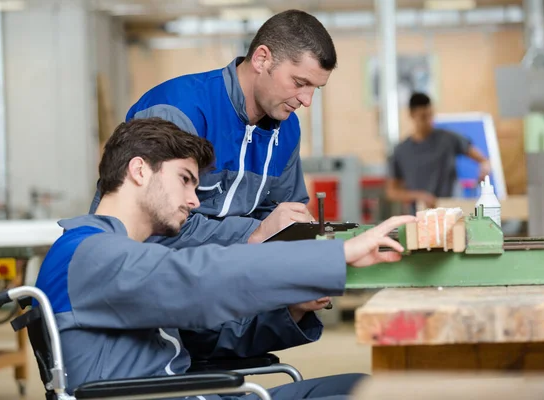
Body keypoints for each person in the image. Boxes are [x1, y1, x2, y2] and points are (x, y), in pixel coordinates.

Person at [37, 118, 415, 399]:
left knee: (371, 387)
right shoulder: (86, 254)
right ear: (139, 170)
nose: (195, 200)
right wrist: (337, 254)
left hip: (200, 392)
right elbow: (200, 280)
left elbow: (200, 338)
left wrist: (292, 309)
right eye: (185, 179)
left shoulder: (117, 254)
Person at [88, 9, 340, 364]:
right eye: (299, 83)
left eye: (316, 88)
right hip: (147, 305)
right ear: (262, 58)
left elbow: (281, 218)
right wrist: (255, 234)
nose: (307, 100)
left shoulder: (287, 132)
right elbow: (153, 226)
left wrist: (299, 257)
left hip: (213, 300)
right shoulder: (177, 111)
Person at [386, 92, 491, 213]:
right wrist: (417, 196)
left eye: (430, 115)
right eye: (423, 116)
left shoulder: (448, 139)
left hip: (451, 211)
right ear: (412, 114)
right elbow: (392, 191)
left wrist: (485, 166)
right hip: (421, 216)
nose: (428, 121)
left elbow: (483, 159)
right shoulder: (401, 151)